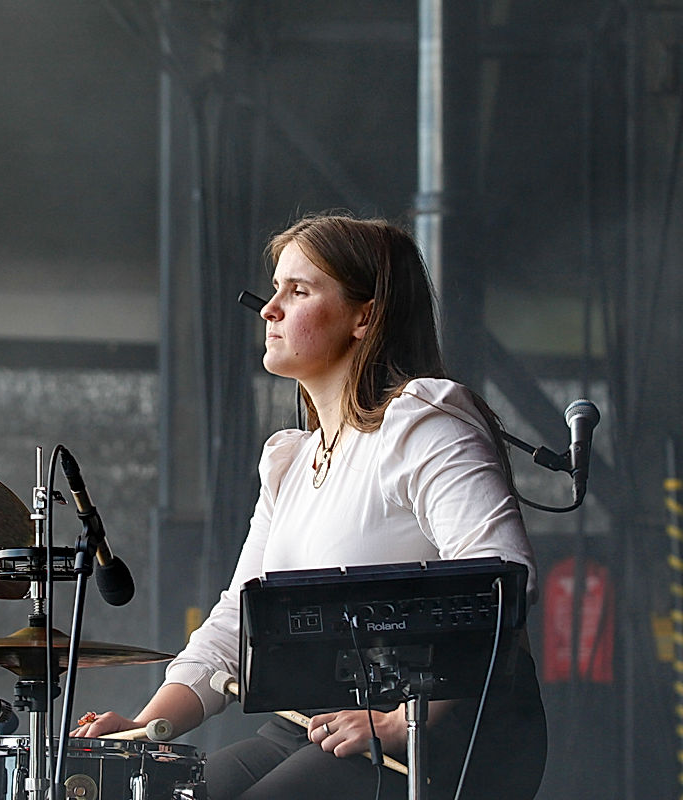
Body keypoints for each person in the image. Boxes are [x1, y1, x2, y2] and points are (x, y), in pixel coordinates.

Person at [72, 214, 547, 799]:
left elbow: (504, 581)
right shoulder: (291, 460)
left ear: (365, 315)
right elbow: (235, 622)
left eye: (297, 291)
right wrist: (148, 729)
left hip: (437, 731)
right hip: (311, 727)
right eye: (275, 289)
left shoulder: (423, 421)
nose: (270, 309)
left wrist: (402, 720)